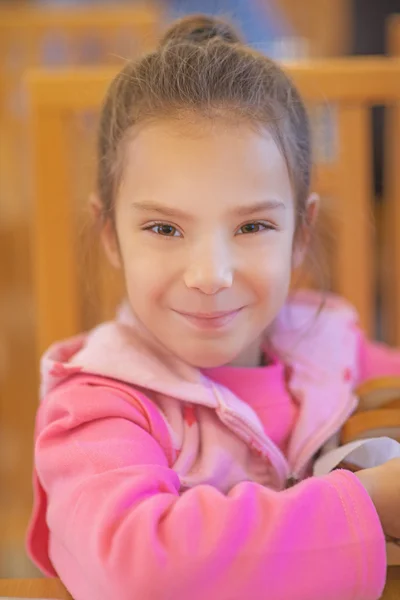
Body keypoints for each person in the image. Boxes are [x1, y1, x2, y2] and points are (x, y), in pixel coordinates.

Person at [27, 14, 400, 600]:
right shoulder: (97, 407)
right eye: (163, 227)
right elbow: (138, 569)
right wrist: (374, 504)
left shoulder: (331, 344)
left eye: (252, 225)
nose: (210, 276)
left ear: (301, 234)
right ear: (109, 235)